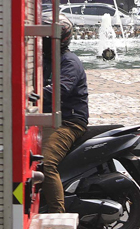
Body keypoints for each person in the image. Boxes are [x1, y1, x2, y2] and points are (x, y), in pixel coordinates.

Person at [39, 17, 89, 214]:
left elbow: (59, 91)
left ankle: (57, 216)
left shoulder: (69, 62)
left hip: (68, 122)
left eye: (46, 38)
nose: (42, 41)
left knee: (46, 163)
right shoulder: (45, 60)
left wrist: (27, 95)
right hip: (51, 119)